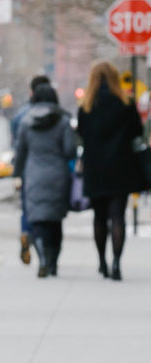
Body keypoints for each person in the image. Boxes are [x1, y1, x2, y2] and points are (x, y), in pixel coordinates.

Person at [77, 60, 143, 280]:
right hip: (122, 167)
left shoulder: (85, 107)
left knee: (99, 217)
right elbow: (137, 132)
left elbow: (82, 136)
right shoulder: (125, 103)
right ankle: (116, 263)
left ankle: (102, 262)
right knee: (118, 216)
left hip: (95, 168)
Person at [13, 82, 76, 277]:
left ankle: (42, 259)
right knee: (55, 222)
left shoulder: (25, 122)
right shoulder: (63, 121)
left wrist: (17, 174)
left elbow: (20, 151)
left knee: (38, 220)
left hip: (34, 175)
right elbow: (70, 150)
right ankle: (53, 262)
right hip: (58, 174)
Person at [10, 73, 50, 265]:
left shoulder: (20, 117)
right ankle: (43, 247)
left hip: (28, 169)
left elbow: (17, 148)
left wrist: (16, 172)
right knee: (49, 210)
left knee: (28, 207)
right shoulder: (56, 114)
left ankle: (27, 233)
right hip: (52, 171)